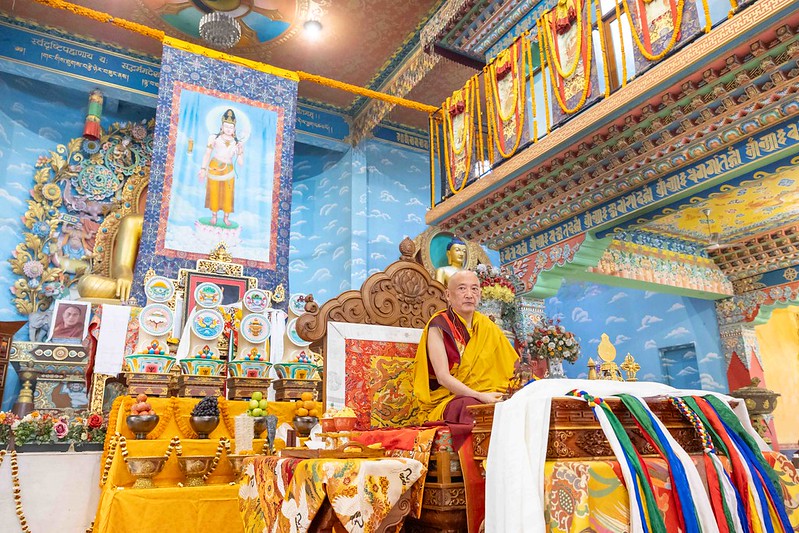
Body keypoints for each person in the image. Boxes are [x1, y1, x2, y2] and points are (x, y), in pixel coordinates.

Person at [412, 270, 518, 445]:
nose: (469, 295)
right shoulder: (439, 325)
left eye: (474, 289)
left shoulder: (487, 326)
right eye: (462, 289)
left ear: (480, 294)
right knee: (471, 406)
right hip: (448, 400)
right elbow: (443, 377)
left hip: (485, 393)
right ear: (448, 295)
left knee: (518, 403)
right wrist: (480, 396)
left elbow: (511, 367)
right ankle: (479, 464)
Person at [198, 108, 244, 227]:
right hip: (214, 167)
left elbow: (240, 163)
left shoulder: (237, 142)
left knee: (228, 193)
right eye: (226, 126)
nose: (228, 129)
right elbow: (207, 153)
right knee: (214, 191)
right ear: (222, 127)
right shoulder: (214, 138)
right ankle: (214, 216)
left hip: (228, 169)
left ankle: (226, 217)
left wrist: (240, 151)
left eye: (231, 127)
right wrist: (203, 169)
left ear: (234, 129)